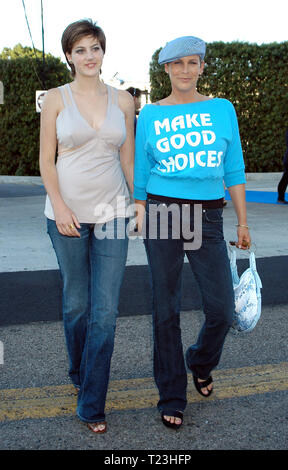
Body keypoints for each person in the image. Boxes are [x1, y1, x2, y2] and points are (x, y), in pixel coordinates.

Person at [134, 36, 251, 430]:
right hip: (162, 212)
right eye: (177, 63)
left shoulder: (222, 109)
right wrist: (139, 209)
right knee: (165, 309)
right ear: (165, 69)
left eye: (193, 62)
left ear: (202, 67)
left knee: (222, 309)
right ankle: (171, 394)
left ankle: (200, 361)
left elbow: (233, 168)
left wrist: (243, 220)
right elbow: (141, 171)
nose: (185, 69)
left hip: (208, 216)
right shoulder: (149, 114)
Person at [39, 19, 134, 433]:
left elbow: (128, 160)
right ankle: (79, 372)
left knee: (106, 311)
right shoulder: (56, 99)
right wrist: (59, 206)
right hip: (67, 215)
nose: (89, 56)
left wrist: (141, 204)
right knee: (77, 305)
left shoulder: (125, 101)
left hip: (113, 212)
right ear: (69, 57)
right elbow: (46, 160)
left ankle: (92, 400)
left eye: (94, 48)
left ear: (103, 52)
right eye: (80, 50)